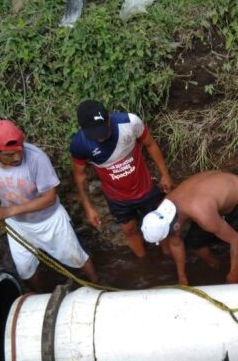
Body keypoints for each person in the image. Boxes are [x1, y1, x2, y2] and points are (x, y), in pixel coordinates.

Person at [0, 119, 99, 291]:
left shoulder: (36, 158)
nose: (17, 157)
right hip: (17, 224)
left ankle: (97, 285)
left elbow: (49, 197)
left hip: (49, 220)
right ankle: (40, 296)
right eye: (9, 155)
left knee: (76, 257)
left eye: (19, 150)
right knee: (25, 270)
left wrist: (9, 211)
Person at [70, 99, 174, 257]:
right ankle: (143, 261)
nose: (100, 138)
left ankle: (167, 255)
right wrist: (88, 207)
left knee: (160, 223)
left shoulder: (129, 122)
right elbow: (80, 176)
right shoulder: (80, 145)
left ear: (109, 118)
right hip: (117, 198)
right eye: (95, 134)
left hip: (145, 189)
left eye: (103, 131)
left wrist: (165, 174)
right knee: (128, 229)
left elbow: (150, 144)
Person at [140, 171, 238, 285]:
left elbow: (236, 239)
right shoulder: (164, 209)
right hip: (216, 195)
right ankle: (216, 266)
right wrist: (182, 278)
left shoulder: (202, 214)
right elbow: (175, 242)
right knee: (194, 244)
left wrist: (234, 273)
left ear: (175, 225)